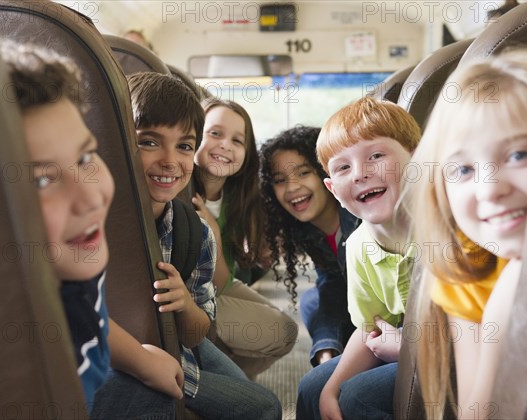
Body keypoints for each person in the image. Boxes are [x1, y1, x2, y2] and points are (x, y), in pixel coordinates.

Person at [3, 42, 182, 418]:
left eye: (85, 157)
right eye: (41, 180)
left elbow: (91, 306)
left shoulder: (67, 255)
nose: (91, 198)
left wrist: (142, 361)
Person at [406, 49, 527, 420]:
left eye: (520, 154)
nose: (489, 190)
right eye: (462, 170)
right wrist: (508, 304)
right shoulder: (468, 269)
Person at [127, 72, 282, 419]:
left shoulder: (192, 229)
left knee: (264, 382)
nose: (169, 160)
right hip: (120, 356)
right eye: (149, 142)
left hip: (182, 337)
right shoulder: (89, 216)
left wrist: (184, 304)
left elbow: (199, 328)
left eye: (183, 145)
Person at [296, 97, 422, 420]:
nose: (360, 174)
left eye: (376, 155)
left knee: (358, 398)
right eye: (343, 168)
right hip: (398, 344)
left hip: (449, 352)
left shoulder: (439, 229)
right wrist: (330, 388)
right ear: (333, 189)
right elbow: (370, 330)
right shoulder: (358, 247)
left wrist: (408, 349)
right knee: (313, 388)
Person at [191, 98, 297, 379]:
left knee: (285, 331)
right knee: (275, 331)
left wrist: (214, 231)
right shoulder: (181, 190)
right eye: (215, 133)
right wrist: (210, 233)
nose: (226, 144)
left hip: (221, 283)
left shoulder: (236, 198)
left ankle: (222, 385)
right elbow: (212, 282)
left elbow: (225, 279)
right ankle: (219, 387)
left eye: (238, 141)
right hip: (195, 295)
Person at [259, 126, 359, 366]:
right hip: (360, 312)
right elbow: (333, 286)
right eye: (280, 180)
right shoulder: (309, 232)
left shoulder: (359, 216)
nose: (292, 187)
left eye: (303, 173)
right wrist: (326, 348)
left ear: (325, 172)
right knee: (314, 300)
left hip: (392, 325)